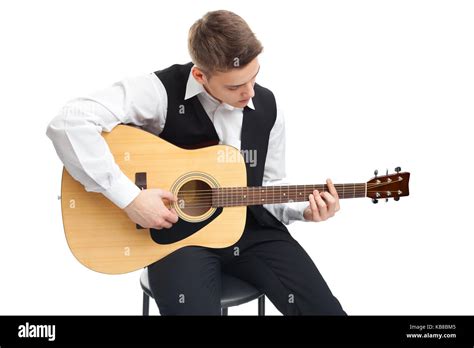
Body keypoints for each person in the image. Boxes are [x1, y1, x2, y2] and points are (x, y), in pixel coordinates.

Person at [47, 10, 346, 316]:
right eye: (234, 87)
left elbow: (267, 186)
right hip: (176, 239)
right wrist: (131, 198)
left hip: (253, 233)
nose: (249, 92)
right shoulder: (159, 92)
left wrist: (305, 210)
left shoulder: (268, 107)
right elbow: (68, 123)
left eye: (254, 77)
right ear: (200, 75)